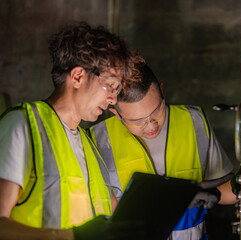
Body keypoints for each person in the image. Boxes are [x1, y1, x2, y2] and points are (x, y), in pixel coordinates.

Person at [0, 23, 145, 239]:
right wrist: (72, 236)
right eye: (111, 86)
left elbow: (117, 222)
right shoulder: (22, 125)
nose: (113, 99)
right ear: (78, 77)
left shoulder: (89, 146)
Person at [89, 64, 238, 239]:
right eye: (138, 121)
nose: (151, 126)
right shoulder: (100, 139)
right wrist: (173, 202)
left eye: (157, 111)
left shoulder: (193, 121)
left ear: (162, 90)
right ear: (116, 113)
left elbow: (231, 190)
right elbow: (103, 214)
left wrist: (213, 193)